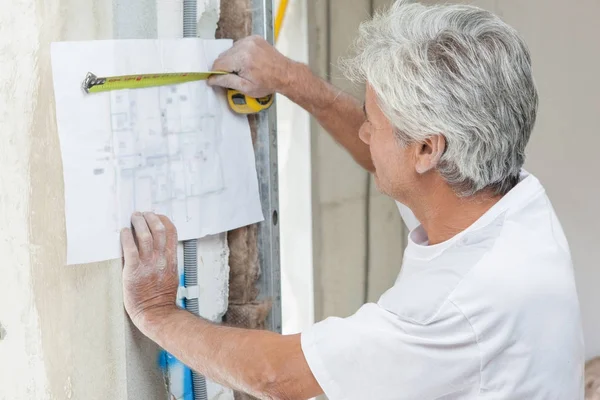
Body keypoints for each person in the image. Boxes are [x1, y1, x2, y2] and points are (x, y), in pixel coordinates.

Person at [120, 2, 585, 399]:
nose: (364, 133)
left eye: (373, 122)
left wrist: (157, 311)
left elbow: (277, 376)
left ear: (427, 149)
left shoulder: (460, 303)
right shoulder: (501, 190)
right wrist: (290, 78)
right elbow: (386, 156)